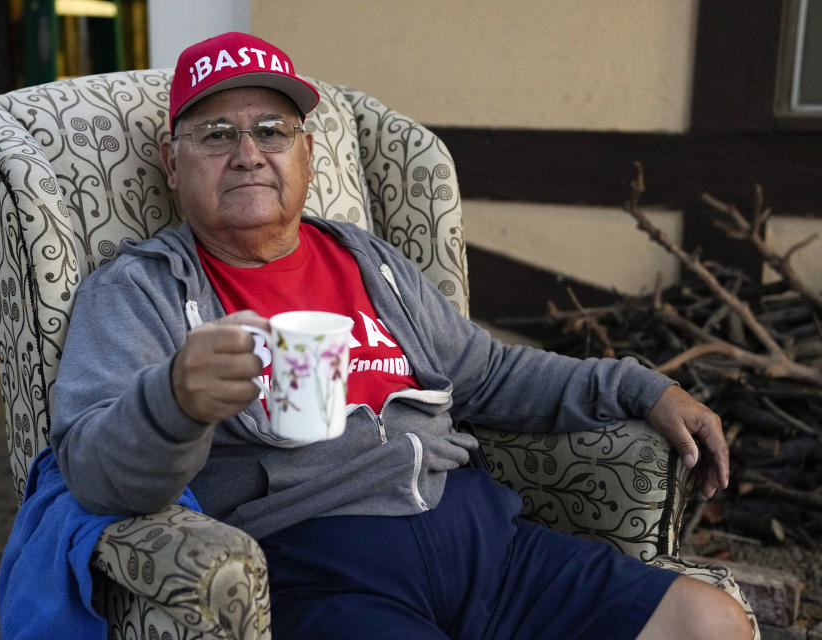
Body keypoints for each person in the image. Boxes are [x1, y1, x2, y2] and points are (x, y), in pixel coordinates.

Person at [50, 31, 751, 639]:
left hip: (489, 550)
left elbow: (488, 374)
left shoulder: (366, 258)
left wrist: (641, 387)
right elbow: (91, 469)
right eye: (215, 134)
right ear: (173, 164)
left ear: (307, 155)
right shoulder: (140, 290)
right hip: (320, 571)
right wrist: (174, 399)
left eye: (272, 130)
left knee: (711, 623)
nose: (248, 153)